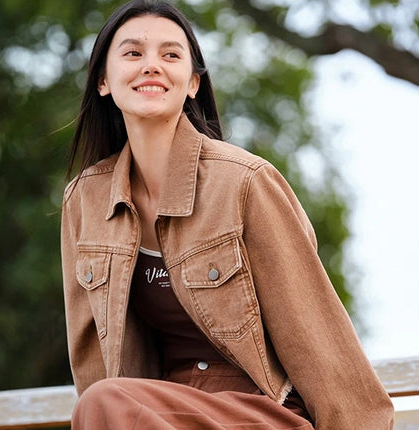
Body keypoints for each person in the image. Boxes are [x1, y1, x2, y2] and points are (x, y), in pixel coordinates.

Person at [61, 1, 394, 428]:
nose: (151, 66)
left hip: (263, 411)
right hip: (153, 411)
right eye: (132, 53)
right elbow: (92, 361)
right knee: (103, 399)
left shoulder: (244, 183)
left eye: (170, 55)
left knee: (106, 400)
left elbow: (317, 338)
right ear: (104, 81)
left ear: (193, 83)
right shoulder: (84, 201)